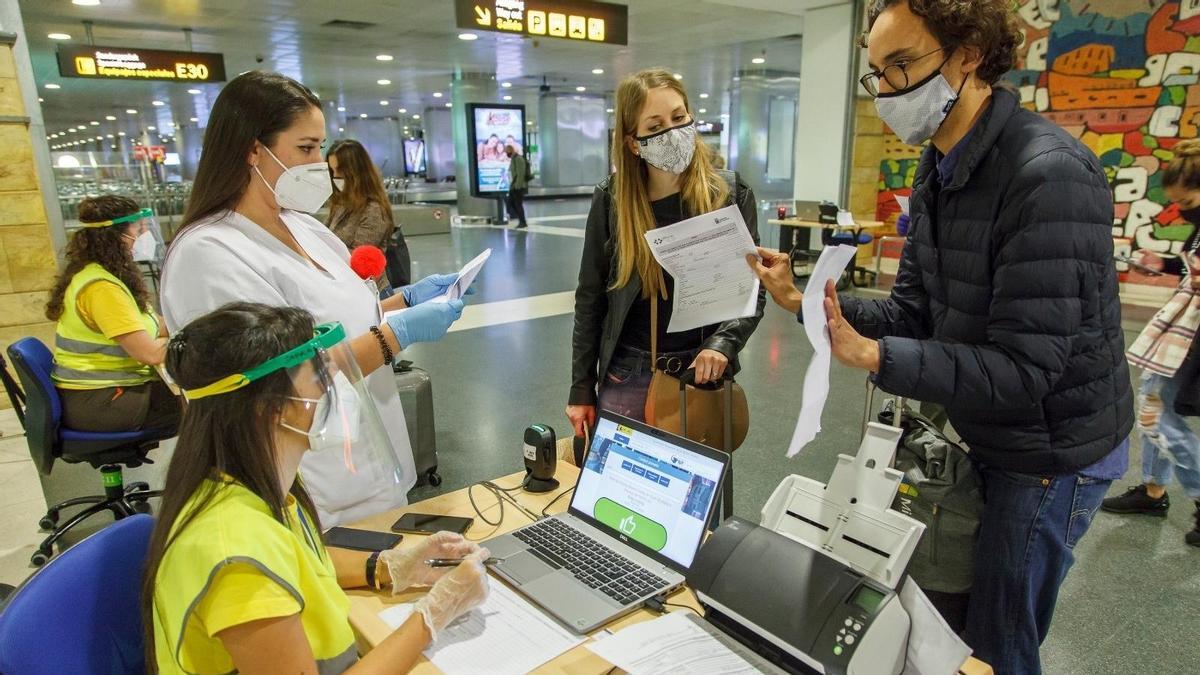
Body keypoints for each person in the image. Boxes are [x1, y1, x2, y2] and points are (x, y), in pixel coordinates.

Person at [749, 2, 1131, 672]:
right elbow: (913, 312)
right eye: (876, 72)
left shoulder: (1049, 176)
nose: (889, 90)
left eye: (903, 64)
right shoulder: (938, 167)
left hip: (1046, 450)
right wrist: (811, 300)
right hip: (980, 429)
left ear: (970, 52)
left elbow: (1026, 370)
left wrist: (878, 356)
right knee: (946, 627)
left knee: (998, 640)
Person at [159, 71, 467, 527]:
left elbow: (335, 319)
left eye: (320, 147)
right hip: (311, 485)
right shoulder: (208, 254)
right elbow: (277, 379)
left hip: (374, 460)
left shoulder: (305, 226)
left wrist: (402, 303)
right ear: (251, 149)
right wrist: (393, 337)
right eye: (306, 148)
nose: (319, 163)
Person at [143, 303, 489, 674]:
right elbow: (264, 570)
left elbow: (300, 559)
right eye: (320, 377)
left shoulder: (254, 482)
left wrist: (392, 567)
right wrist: (433, 616)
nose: (332, 389)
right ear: (271, 407)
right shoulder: (235, 556)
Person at [567, 68, 765, 438]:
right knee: (622, 492)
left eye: (679, 118)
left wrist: (724, 344)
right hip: (627, 373)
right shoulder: (613, 200)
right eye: (655, 126)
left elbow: (753, 286)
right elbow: (590, 299)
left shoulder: (729, 195)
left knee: (695, 493)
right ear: (632, 142)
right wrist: (581, 388)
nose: (672, 133)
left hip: (701, 375)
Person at [1102, 139, 1200, 548]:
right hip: (1184, 326)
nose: (1184, 209)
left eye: (1189, 200)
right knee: (1153, 400)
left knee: (1157, 414)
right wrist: (1167, 263)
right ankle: (1154, 491)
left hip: (1194, 333)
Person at [45, 195, 180, 433]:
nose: (143, 237)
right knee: (210, 405)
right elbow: (148, 353)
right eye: (138, 230)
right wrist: (199, 346)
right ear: (117, 237)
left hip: (100, 394)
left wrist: (195, 324)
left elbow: (154, 326)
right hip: (101, 401)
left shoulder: (106, 275)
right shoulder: (102, 288)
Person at [327, 139, 397, 250]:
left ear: (356, 171)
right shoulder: (342, 203)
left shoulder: (373, 209)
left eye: (340, 170)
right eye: (332, 170)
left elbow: (358, 256)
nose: (335, 176)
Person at [505, 144, 528, 229]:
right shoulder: (513, 159)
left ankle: (522, 221)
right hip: (513, 186)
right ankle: (520, 219)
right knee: (511, 203)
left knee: (517, 204)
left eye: (507, 152)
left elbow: (520, 173)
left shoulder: (518, 159)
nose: (506, 154)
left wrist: (517, 186)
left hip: (518, 186)